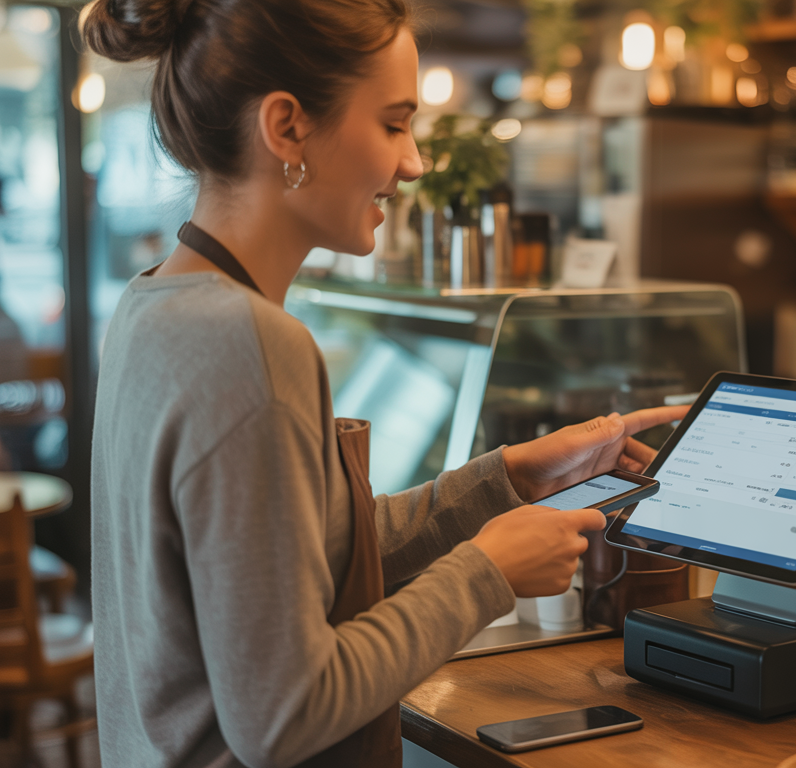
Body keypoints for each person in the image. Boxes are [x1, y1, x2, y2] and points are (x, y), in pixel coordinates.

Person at [81, 2, 686, 766]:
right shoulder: (251, 343)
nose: (414, 163)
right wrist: (488, 572)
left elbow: (301, 559)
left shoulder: (151, 303)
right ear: (287, 128)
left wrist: (506, 479)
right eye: (395, 124)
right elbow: (285, 714)